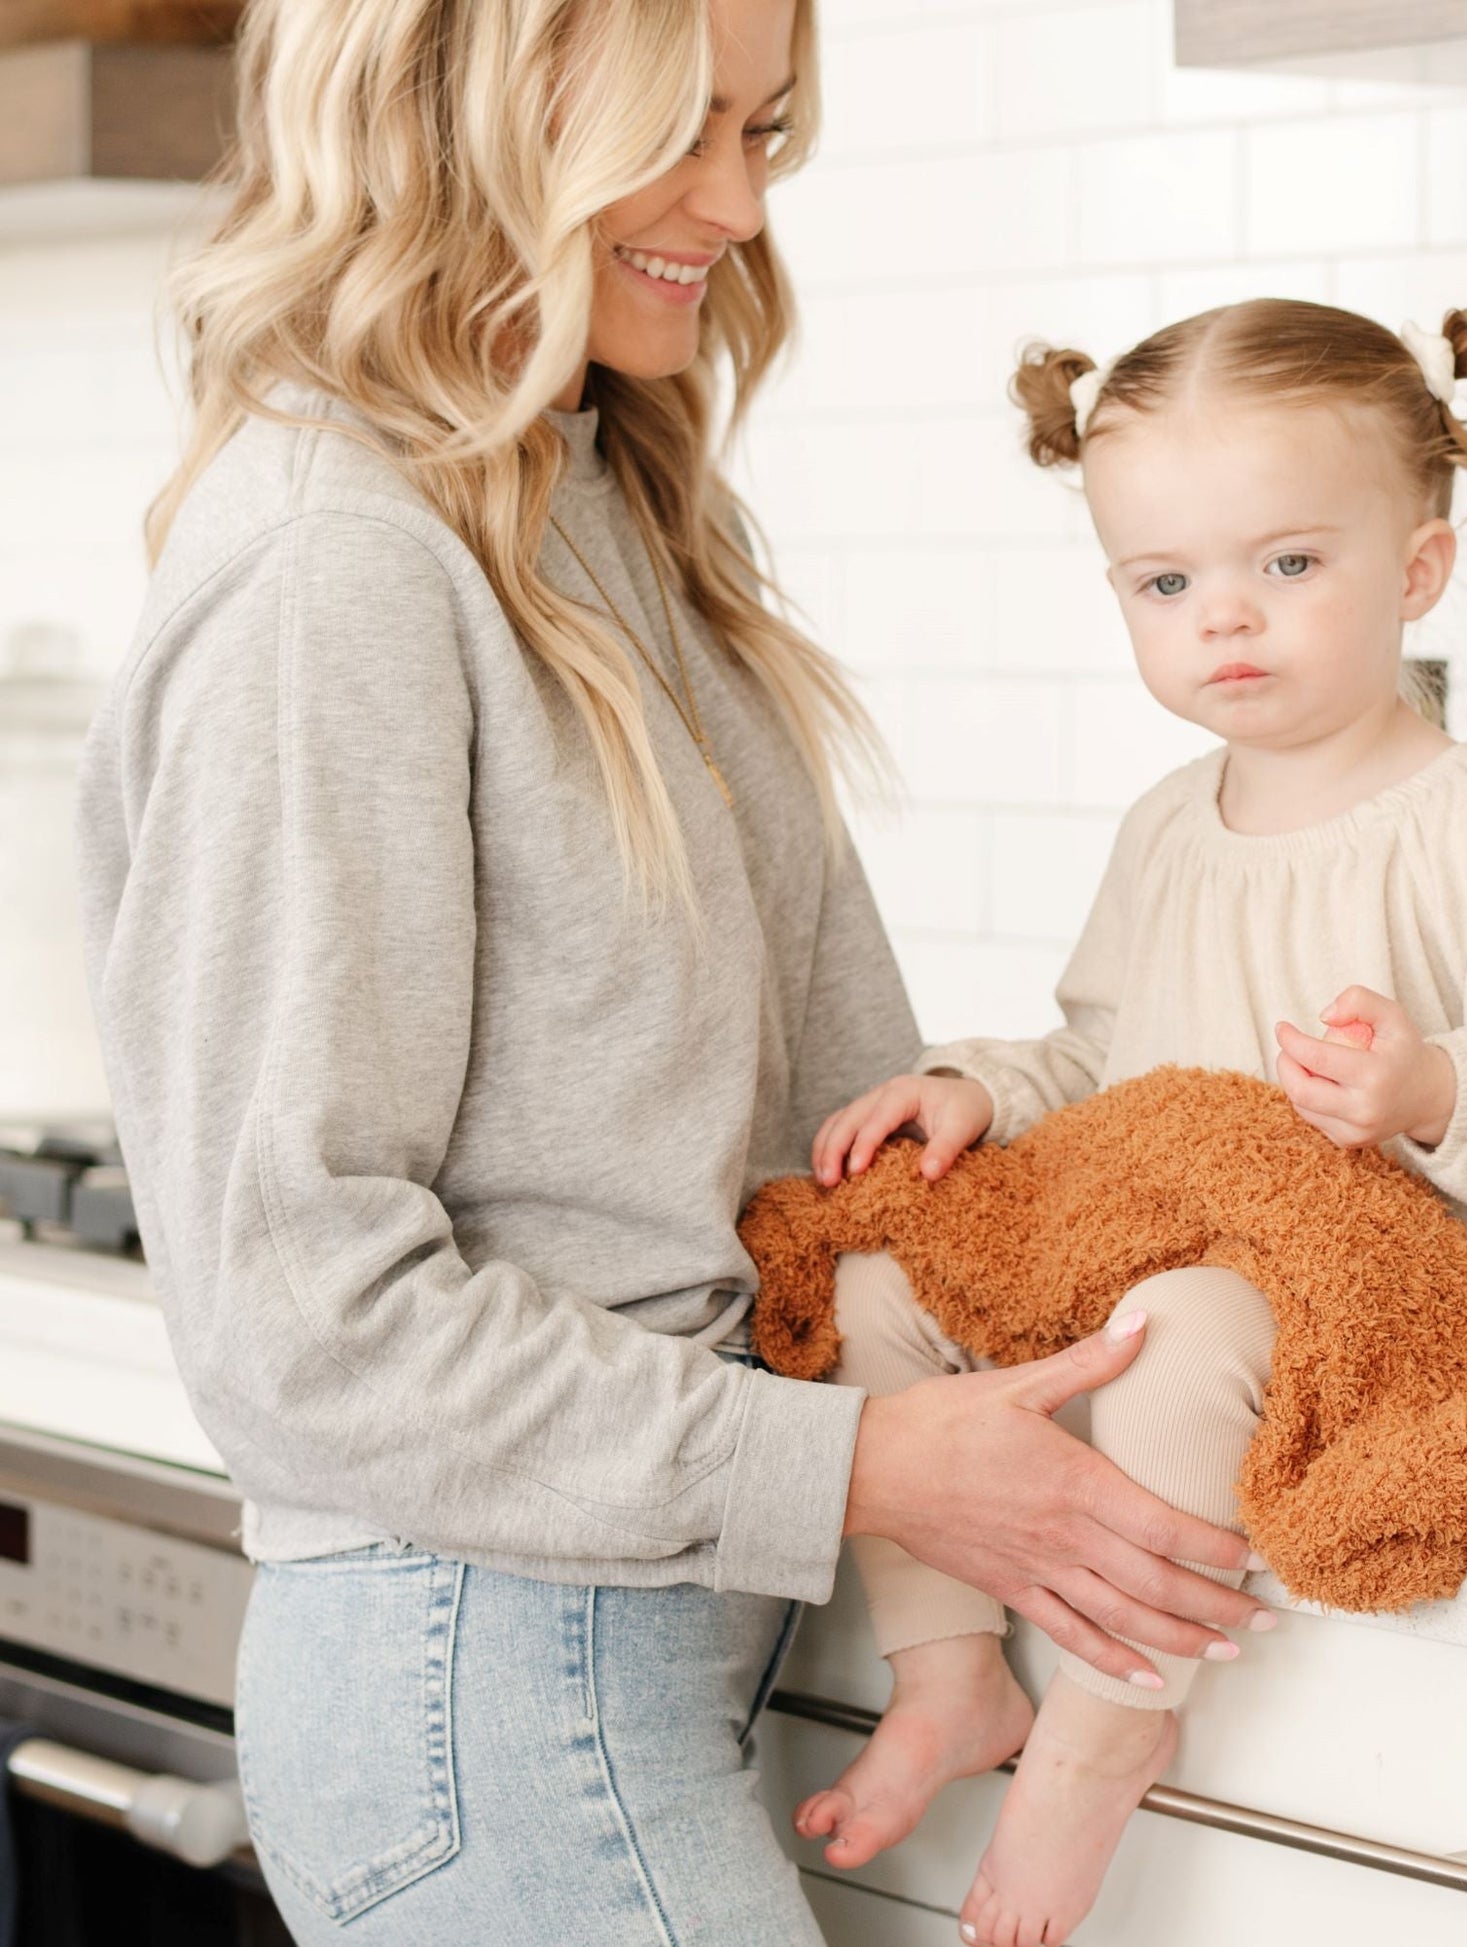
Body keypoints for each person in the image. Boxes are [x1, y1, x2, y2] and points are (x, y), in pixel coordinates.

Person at [69, 2, 1270, 1940]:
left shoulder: (595, 497)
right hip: (493, 1679)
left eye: (761, 129)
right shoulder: (337, 565)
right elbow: (304, 1316)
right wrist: (868, 1454)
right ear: (453, 116)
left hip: (613, 1658)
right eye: (674, 131)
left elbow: (805, 1117)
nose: (732, 201)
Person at [793, 298, 1467, 1947]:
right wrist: (976, 1089)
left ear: (1415, 570)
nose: (1223, 623)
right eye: (1165, 584)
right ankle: (951, 1672)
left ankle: (1106, 1726)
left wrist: (1428, 1092)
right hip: (1188, 1290)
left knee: (1172, 1321)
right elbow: (1103, 1065)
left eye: (1286, 565)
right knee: (884, 1279)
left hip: (1422, 1329)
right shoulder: (1164, 826)